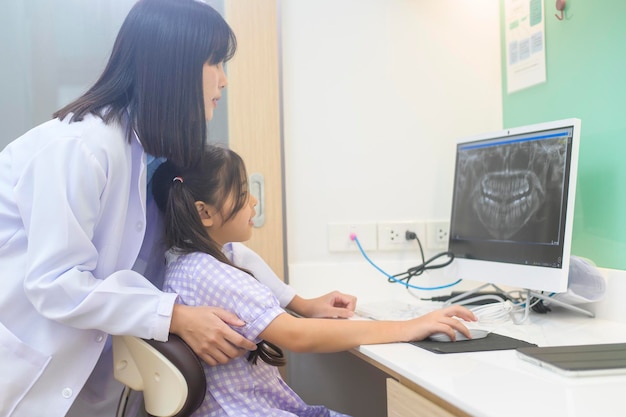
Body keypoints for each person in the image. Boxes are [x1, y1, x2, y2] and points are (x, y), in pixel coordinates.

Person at [0, 1, 355, 416]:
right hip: (27, 366)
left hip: (94, 376)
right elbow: (54, 282)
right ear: (176, 67)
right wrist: (177, 316)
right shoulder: (81, 148)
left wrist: (300, 301)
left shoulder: (154, 156)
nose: (223, 81)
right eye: (216, 63)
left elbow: (216, 252)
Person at [152, 145, 478, 417]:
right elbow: (299, 336)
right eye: (241, 193)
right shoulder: (211, 273)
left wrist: (304, 305)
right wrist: (410, 327)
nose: (253, 202)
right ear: (204, 213)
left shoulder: (189, 263)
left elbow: (251, 265)